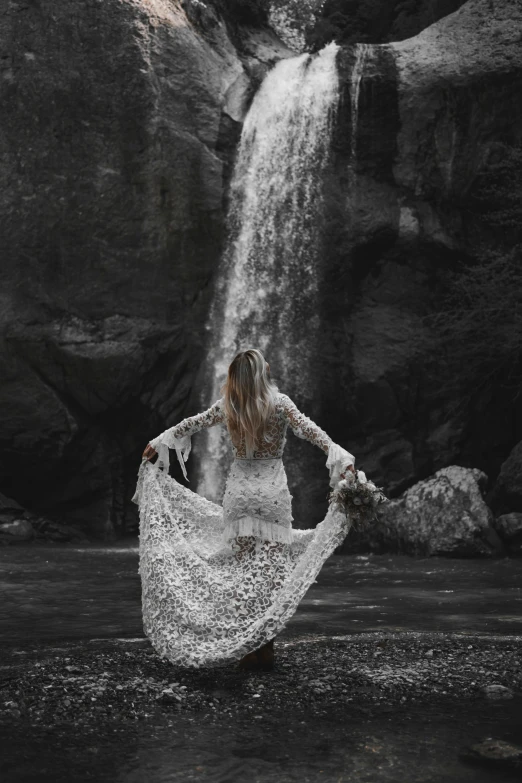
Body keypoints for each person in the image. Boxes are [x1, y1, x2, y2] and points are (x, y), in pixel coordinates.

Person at [135, 348, 356, 671]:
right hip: (271, 497)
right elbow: (313, 433)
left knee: (243, 573)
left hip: (239, 496)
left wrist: (159, 442)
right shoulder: (280, 403)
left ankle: (246, 647)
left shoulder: (228, 405)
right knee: (268, 575)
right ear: (259, 372)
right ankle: (263, 648)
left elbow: (190, 424)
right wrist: (342, 460)